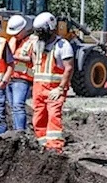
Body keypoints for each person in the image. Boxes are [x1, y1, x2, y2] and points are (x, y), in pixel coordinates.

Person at [30, 12, 74, 153]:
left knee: (54, 118)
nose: (39, 36)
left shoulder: (62, 46)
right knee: (38, 119)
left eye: (41, 32)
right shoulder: (37, 45)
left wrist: (61, 88)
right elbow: (35, 62)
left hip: (54, 90)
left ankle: (55, 149)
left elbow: (69, 68)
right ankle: (43, 145)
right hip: (39, 90)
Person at [5, 14, 35, 133]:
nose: (15, 35)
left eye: (17, 33)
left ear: (23, 29)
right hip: (11, 77)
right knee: (13, 108)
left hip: (23, 78)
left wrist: (14, 57)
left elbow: (33, 59)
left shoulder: (32, 41)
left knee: (18, 106)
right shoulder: (12, 40)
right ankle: (16, 131)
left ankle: (20, 132)